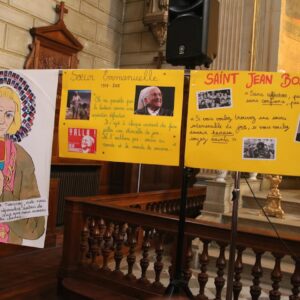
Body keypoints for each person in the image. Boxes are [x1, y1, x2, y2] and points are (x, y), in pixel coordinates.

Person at [0, 86, 45, 245]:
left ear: (15, 119)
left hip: (7, 239)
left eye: (8, 114)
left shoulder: (22, 158)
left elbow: (35, 226)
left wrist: (4, 192)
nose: (2, 120)